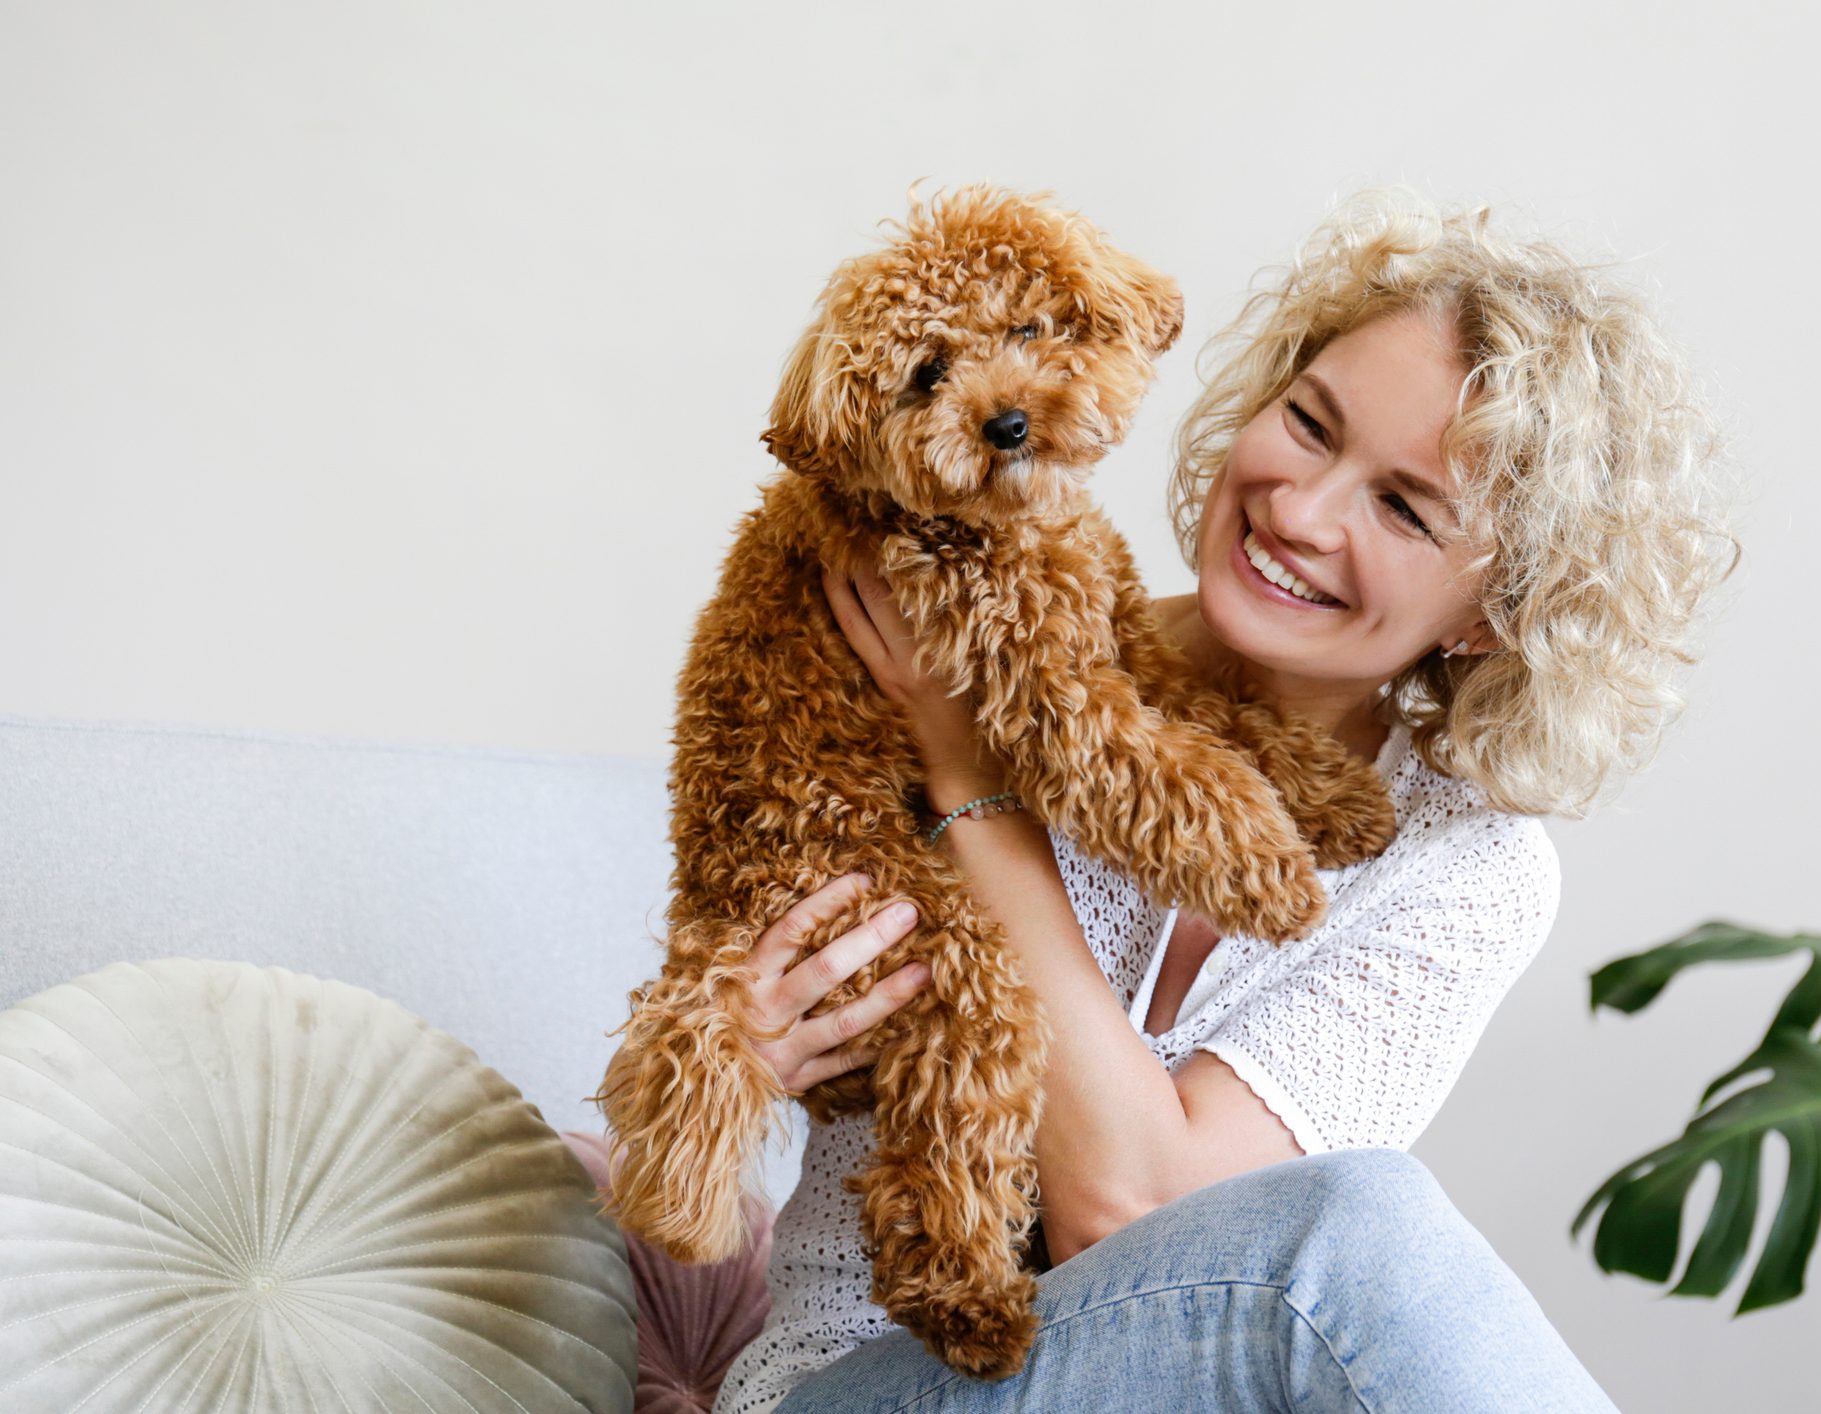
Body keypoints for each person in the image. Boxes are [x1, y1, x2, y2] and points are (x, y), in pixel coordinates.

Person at [706, 188, 1742, 1413]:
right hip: (864, 1381)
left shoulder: (1465, 869)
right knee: (1354, 1229)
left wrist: (967, 781)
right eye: (1308, 424)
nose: (1298, 510)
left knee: (1351, 1232)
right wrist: (757, 1019)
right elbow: (1144, 1227)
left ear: (1494, 611)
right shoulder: (979, 661)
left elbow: (1155, 1212)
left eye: (1404, 507)